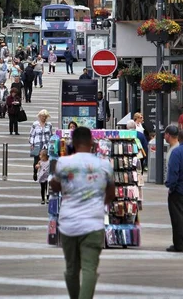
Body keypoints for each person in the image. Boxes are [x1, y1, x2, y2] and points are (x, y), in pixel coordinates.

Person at [50, 127, 114, 299]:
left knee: (71, 268)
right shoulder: (105, 165)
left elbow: (55, 186)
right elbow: (111, 193)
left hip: (68, 223)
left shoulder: (64, 163)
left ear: (73, 143)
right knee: (89, 269)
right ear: (92, 143)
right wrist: (99, 204)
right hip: (94, 223)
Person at [29, 109, 53, 181]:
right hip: (37, 143)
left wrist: (51, 144)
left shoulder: (49, 125)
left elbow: (51, 135)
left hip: (46, 144)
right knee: (36, 159)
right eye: (42, 116)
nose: (44, 118)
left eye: (45, 116)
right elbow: (32, 135)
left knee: (46, 160)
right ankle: (35, 172)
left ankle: (45, 173)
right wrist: (31, 143)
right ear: (39, 116)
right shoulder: (35, 124)